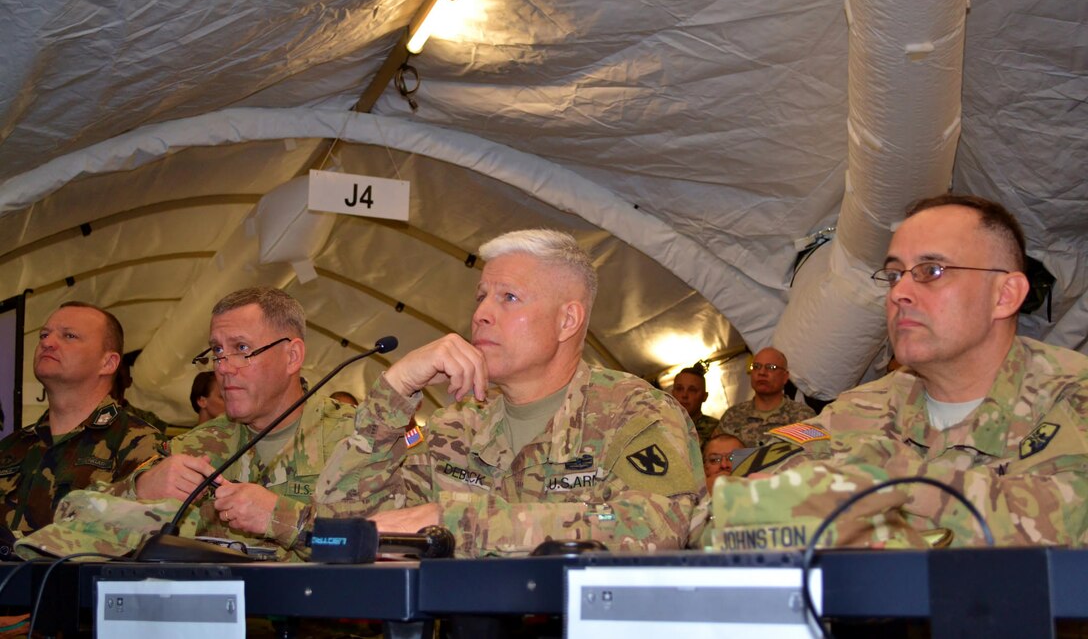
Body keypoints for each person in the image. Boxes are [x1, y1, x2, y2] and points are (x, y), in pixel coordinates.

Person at [719, 194, 1088, 548]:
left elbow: (1066, 524)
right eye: (894, 275)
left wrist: (893, 485)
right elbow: (725, 511)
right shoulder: (857, 409)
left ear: (1005, 295)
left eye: (932, 270)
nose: (899, 293)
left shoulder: (1072, 396)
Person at [316, 229, 704, 555]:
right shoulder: (456, 426)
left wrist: (452, 523)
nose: (481, 313)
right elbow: (342, 526)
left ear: (567, 320)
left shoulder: (631, 411)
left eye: (508, 297)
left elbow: (655, 527)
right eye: (481, 296)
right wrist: (396, 389)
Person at [16, 287, 356, 561]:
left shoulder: (359, 438)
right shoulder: (195, 447)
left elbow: (389, 542)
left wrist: (281, 517)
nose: (223, 367)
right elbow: (72, 518)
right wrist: (142, 488)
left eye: (241, 348)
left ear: (292, 356)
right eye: (217, 351)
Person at [0, 302, 162, 533]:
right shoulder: (12, 447)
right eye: (44, 334)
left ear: (107, 363)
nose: (47, 342)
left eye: (69, 336)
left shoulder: (138, 443)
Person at [714, 348, 814, 447]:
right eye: (756, 366)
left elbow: (817, 456)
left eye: (771, 367)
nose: (762, 372)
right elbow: (716, 454)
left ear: (785, 377)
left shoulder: (804, 417)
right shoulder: (732, 416)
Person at [670, 366, 719, 447]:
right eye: (679, 389)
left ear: (704, 396)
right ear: (672, 393)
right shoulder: (660, 424)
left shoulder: (716, 428)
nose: (684, 395)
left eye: (692, 390)